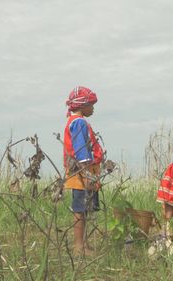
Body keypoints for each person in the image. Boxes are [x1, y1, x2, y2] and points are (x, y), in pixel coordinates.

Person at [63, 86, 104, 256]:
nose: (93, 108)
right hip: (82, 172)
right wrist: (88, 175)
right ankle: (79, 246)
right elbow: (81, 150)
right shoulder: (79, 122)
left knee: (84, 209)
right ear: (83, 105)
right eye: (91, 104)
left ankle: (83, 244)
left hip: (83, 172)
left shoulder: (75, 121)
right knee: (80, 209)